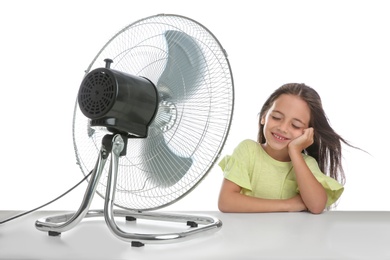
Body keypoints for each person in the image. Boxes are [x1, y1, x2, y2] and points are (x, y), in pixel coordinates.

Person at [218, 83, 354, 214]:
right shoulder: (248, 150)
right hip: (248, 235)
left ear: (308, 132)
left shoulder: (306, 164)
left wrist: (295, 152)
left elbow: (317, 206)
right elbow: (226, 201)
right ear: (264, 116)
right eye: (276, 117)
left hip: (291, 237)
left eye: (295, 125)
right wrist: (288, 204)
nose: (282, 128)